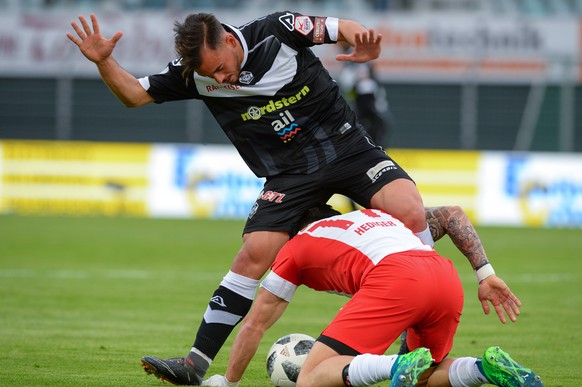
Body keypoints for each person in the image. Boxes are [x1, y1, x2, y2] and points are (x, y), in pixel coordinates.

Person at [66, 12, 504, 385]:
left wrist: (364, 46)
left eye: (222, 67)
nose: (220, 79)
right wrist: (106, 63)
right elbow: (133, 94)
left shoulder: (278, 30)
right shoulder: (194, 74)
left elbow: (342, 26)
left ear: (229, 39)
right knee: (253, 254)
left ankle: (412, 321)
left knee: (408, 208)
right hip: (289, 174)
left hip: (347, 147)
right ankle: (195, 364)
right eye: (211, 75)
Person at [201, 205, 543, 387]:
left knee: (310, 377)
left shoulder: (296, 246)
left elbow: (255, 325)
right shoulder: (374, 216)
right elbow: (451, 213)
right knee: (425, 376)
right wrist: (485, 273)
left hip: (396, 278)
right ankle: (485, 369)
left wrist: (229, 382)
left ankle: (397, 364)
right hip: (444, 275)